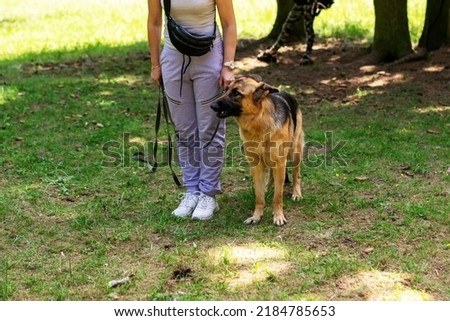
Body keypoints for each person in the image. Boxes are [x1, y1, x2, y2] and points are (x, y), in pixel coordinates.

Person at [147, 0, 237, 220]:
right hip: (173, 60)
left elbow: (229, 23)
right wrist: (156, 64)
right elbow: (154, 22)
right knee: (184, 130)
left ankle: (208, 193)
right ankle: (192, 190)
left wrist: (228, 65)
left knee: (210, 129)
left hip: (209, 58)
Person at [257, 0, 333, 65]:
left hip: (310, 3)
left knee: (308, 27)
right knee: (287, 25)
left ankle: (308, 55)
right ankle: (272, 51)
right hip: (300, 2)